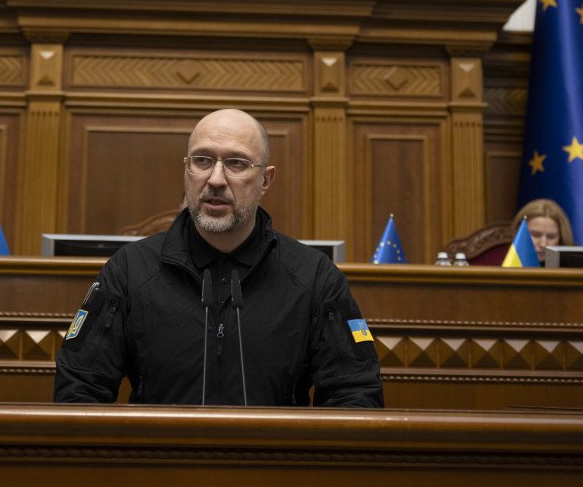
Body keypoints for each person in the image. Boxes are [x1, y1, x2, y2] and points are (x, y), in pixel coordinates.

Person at [54, 108, 383, 407]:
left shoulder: (314, 276)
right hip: (158, 467)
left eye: (236, 163)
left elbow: (355, 393)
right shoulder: (130, 269)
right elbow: (79, 387)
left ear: (266, 179)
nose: (215, 179)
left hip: (275, 468)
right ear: (187, 171)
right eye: (202, 161)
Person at [511, 198, 575, 264]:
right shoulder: (505, 262)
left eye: (551, 237)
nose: (543, 244)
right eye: (536, 235)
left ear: (561, 238)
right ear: (519, 234)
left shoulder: (577, 268)